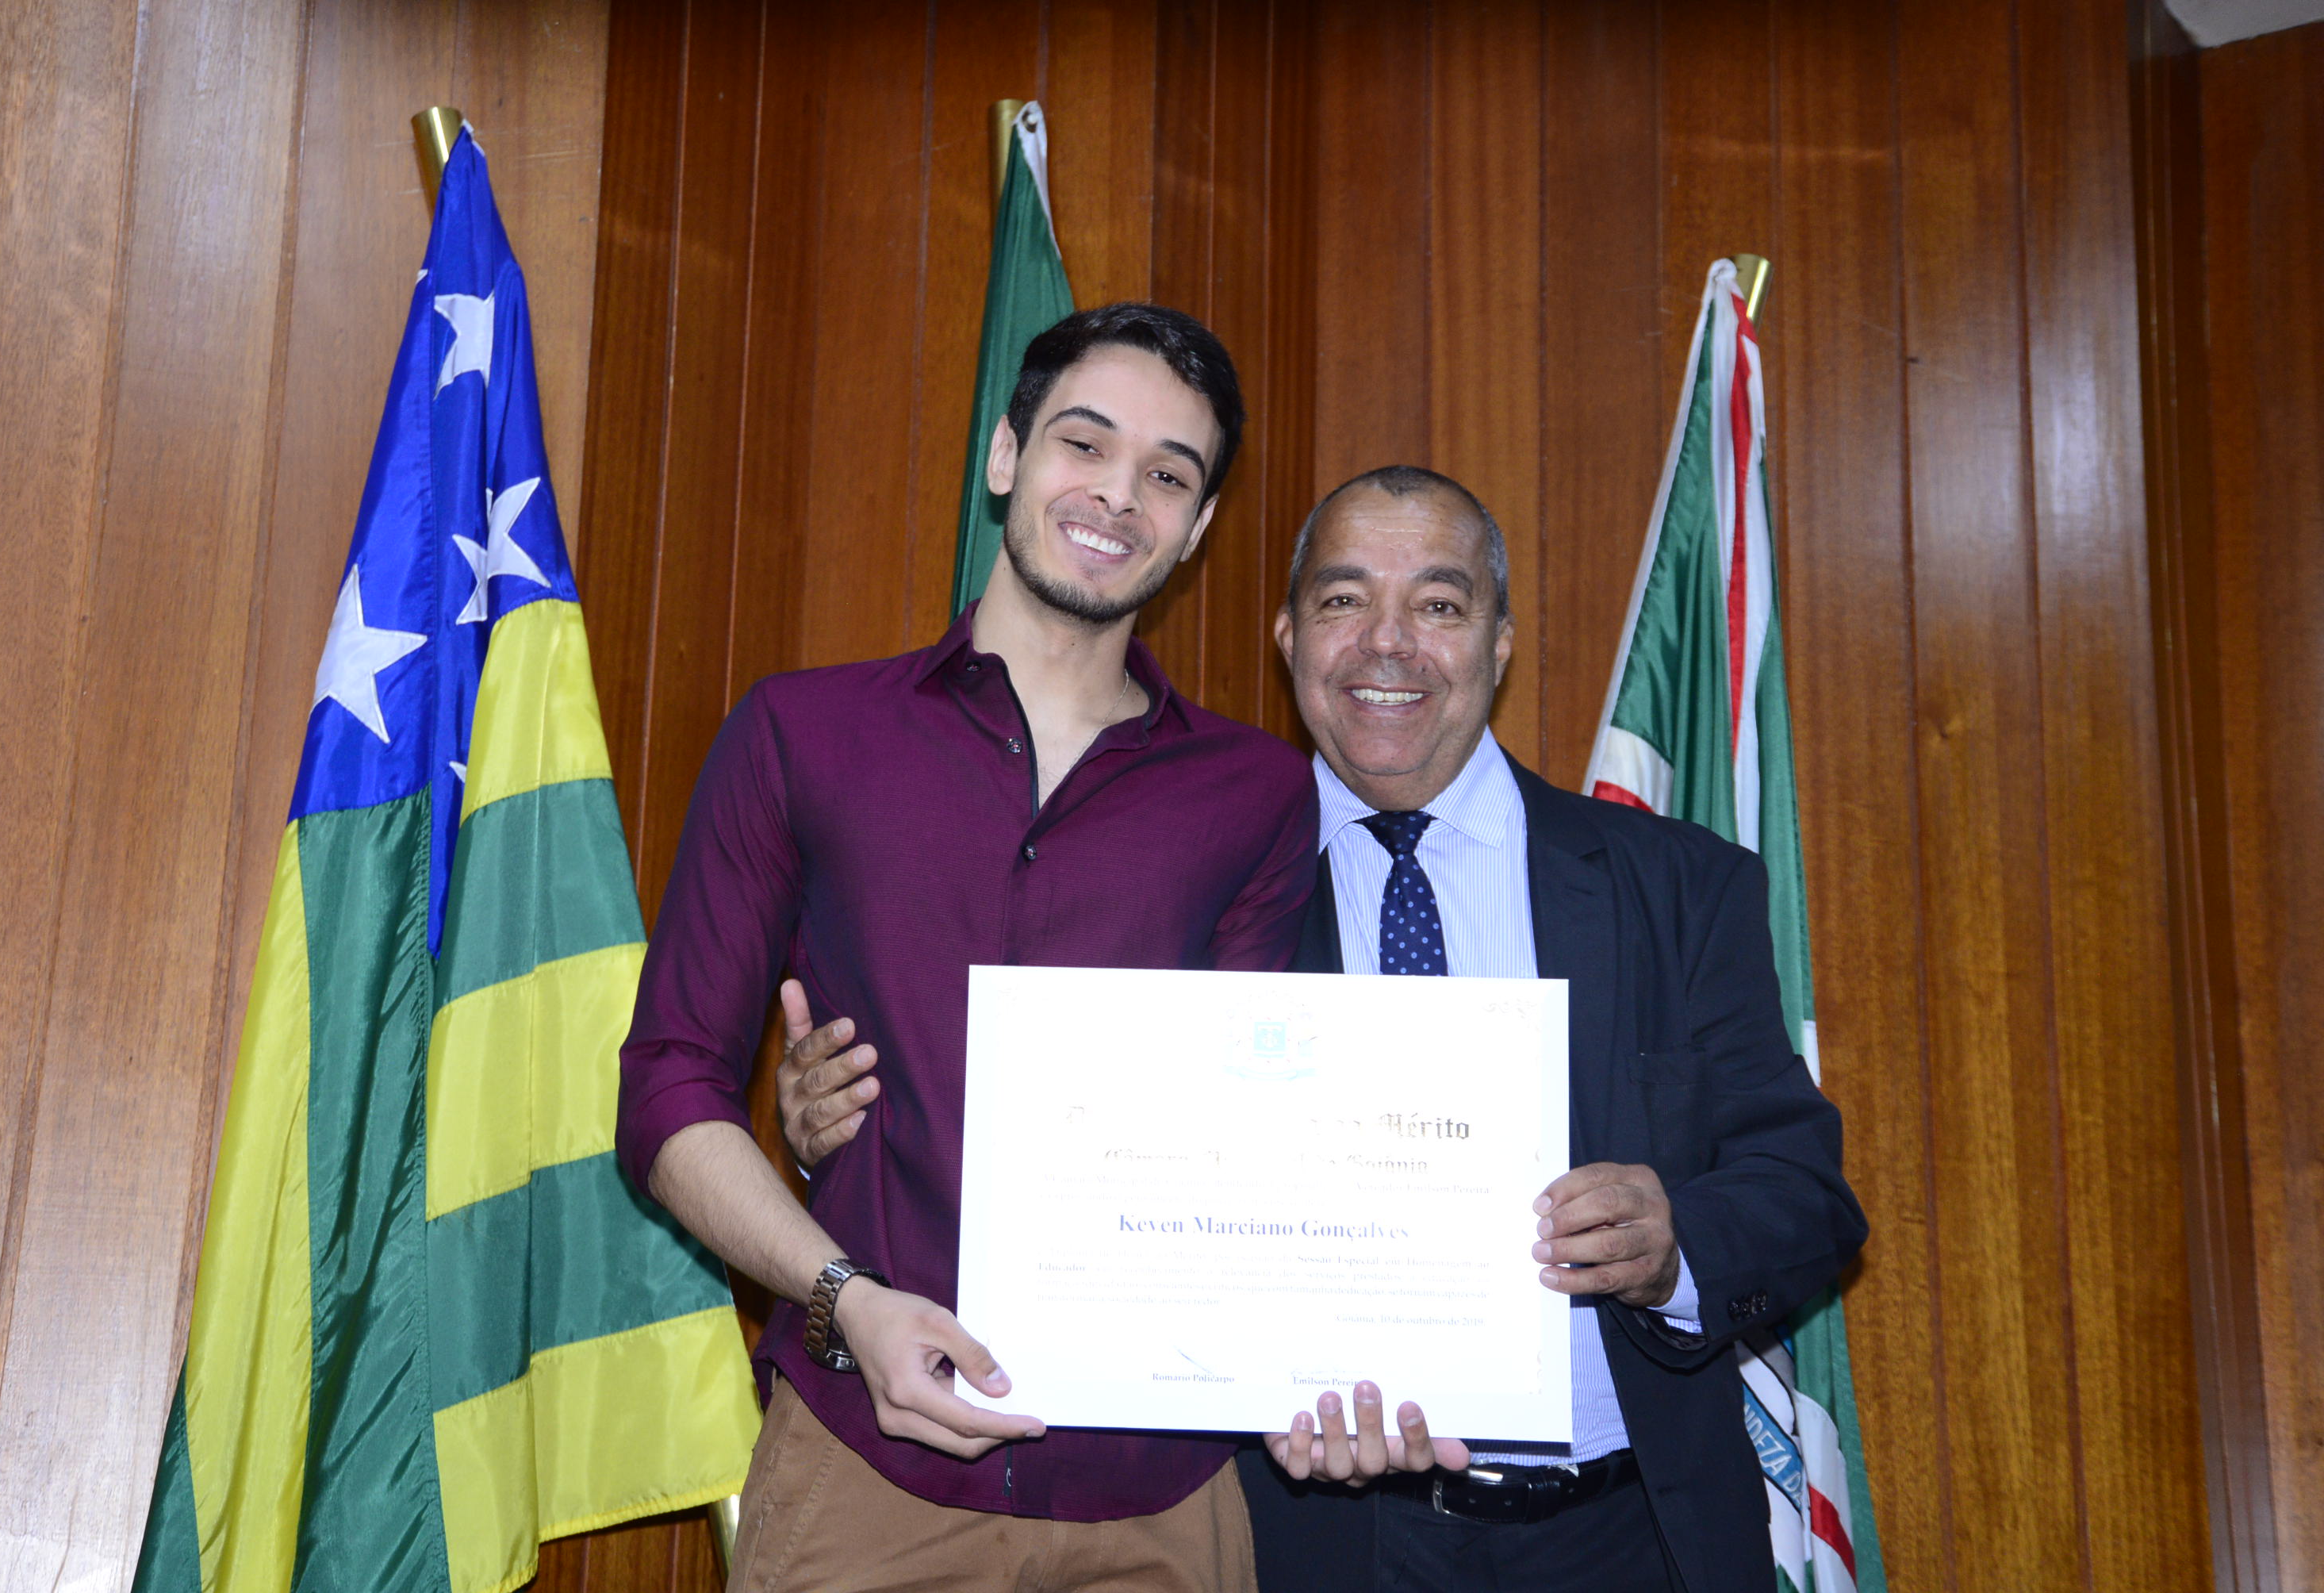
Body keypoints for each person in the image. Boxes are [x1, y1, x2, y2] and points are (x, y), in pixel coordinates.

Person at [780, 466, 1867, 1592]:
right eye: (1345, 600)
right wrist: (845, 1125)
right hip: (1319, 1540)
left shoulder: (1678, 886)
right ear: (1289, 639)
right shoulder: (1185, 889)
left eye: (1438, 604)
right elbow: (1050, 1143)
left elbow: (1805, 1191)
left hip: (1633, 1534)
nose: (1387, 643)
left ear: (1498, 644)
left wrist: (1673, 1247)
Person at [618, 302, 1317, 1591]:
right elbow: (667, 1087)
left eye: (1168, 476)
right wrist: (844, 1298)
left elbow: (1253, 1134)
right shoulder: (804, 735)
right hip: (866, 1470)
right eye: (1084, 444)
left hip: (1159, 1498)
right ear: (1006, 455)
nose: (1119, 495)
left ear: (1199, 527)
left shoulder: (1261, 797)